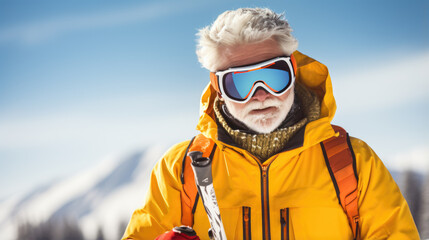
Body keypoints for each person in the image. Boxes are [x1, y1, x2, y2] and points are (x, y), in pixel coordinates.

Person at [122, 8, 419, 240]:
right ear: (218, 87)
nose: (261, 95)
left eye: (274, 76)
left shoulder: (352, 163)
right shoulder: (182, 169)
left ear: (293, 71)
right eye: (241, 82)